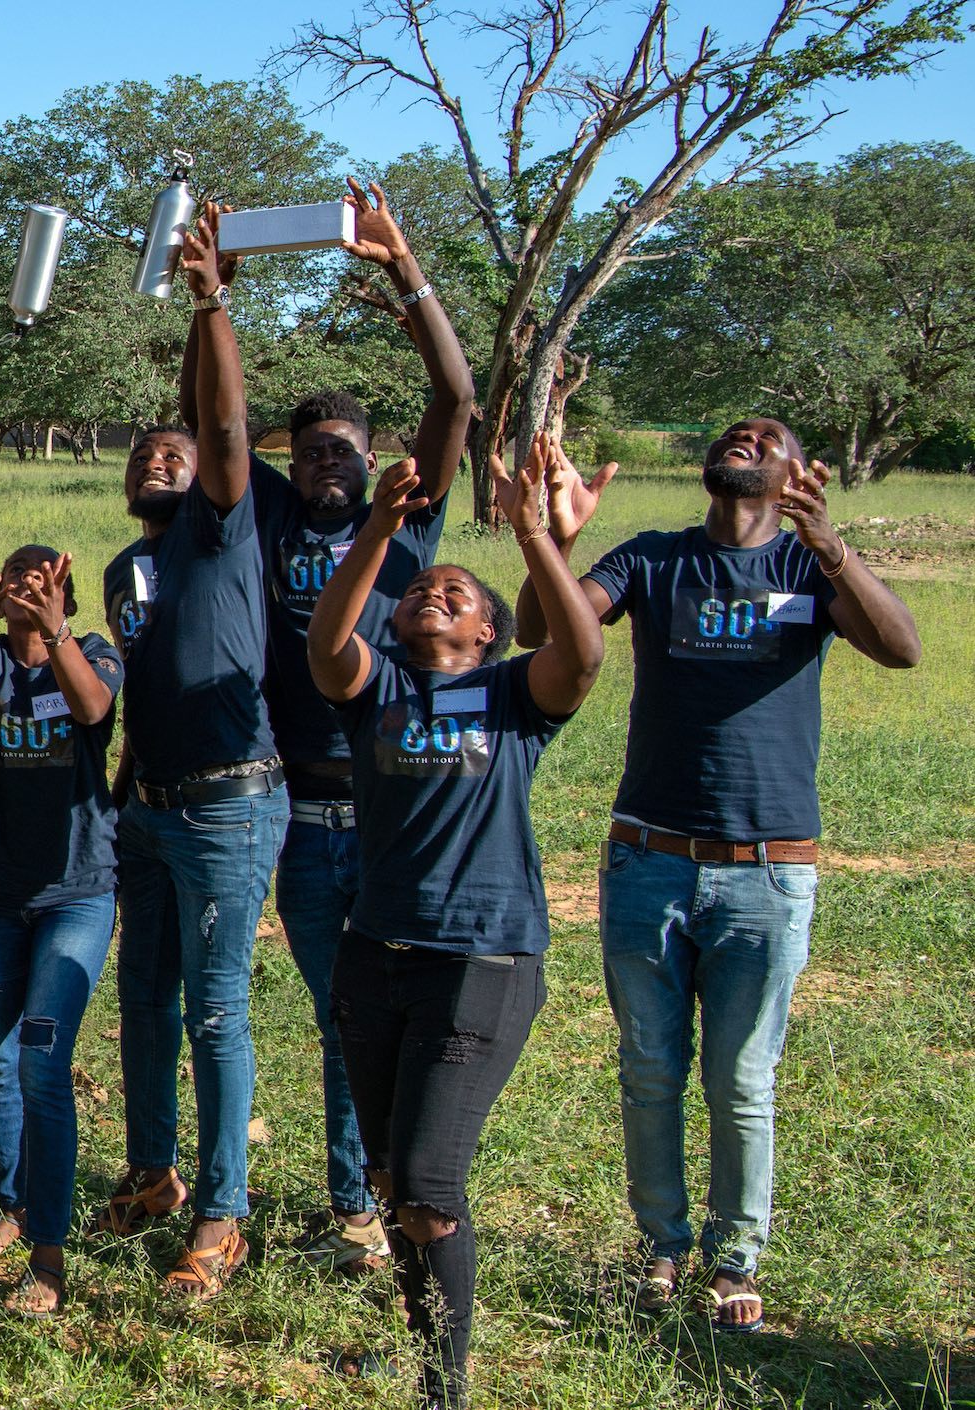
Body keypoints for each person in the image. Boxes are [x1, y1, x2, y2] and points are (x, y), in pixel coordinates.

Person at [519, 416, 921, 1332]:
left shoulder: (808, 573)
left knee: (742, 1079)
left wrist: (833, 549)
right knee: (650, 1069)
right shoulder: (656, 559)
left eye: (764, 436)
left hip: (770, 869)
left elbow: (901, 649)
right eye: (734, 433)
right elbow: (545, 632)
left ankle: (735, 1256)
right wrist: (555, 537)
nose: (743, 438)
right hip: (648, 857)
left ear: (795, 475)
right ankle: (661, 1248)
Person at [308, 439, 605, 1408]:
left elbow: (587, 653)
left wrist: (528, 530)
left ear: (488, 633)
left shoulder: (515, 696)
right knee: (395, 1181)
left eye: (458, 593)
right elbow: (324, 641)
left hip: (482, 960)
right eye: (420, 587)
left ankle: (447, 1391)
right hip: (374, 956)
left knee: (432, 1182)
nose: (435, 593)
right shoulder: (378, 690)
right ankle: (427, 1352)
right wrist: (382, 528)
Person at [246, 184, 477, 1275]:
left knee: (380, 1013)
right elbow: (209, 417)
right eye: (308, 447)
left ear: (377, 457)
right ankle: (358, 1195)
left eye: (341, 446)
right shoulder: (278, 517)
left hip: (394, 811)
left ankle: (371, 1195)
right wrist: (217, 298)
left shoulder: (410, 520)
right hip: (296, 813)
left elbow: (458, 391)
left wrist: (404, 268)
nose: (323, 460)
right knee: (340, 1012)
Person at [102, 209, 281, 1299]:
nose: (162, 455)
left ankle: (224, 1212)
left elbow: (218, 427)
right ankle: (154, 1172)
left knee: (216, 1007)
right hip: (147, 807)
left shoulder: (219, 526)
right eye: (144, 452)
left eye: (174, 449)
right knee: (145, 1000)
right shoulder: (128, 562)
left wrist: (210, 302)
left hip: (227, 803)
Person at [0, 544, 124, 1317]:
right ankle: (14, 1206)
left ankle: (48, 1256)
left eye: (42, 576)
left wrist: (54, 635)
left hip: (75, 896)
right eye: (16, 573)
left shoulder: (92, 655)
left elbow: (91, 711)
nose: (25, 581)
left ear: (67, 595)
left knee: (43, 1064)